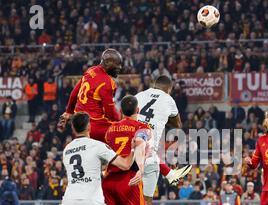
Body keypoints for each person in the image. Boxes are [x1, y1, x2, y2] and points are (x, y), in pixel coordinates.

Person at [59, 50, 188, 196]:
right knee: (139, 138)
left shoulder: (91, 71)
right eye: (117, 65)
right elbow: (110, 113)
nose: (120, 68)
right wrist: (124, 124)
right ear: (107, 63)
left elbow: (75, 91)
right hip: (98, 126)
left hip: (81, 123)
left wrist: (69, 111)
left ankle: (168, 174)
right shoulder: (107, 83)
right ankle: (163, 174)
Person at [136, 75, 192, 205]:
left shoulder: (139, 95)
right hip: (148, 146)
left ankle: (170, 174)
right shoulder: (168, 99)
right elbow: (177, 124)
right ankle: (170, 174)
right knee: (147, 200)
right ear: (169, 89)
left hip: (130, 138)